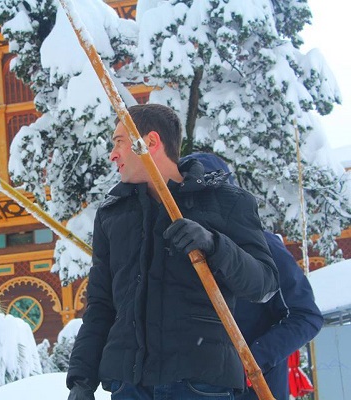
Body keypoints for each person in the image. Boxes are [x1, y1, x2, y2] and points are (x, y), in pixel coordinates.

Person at [66, 104, 279, 400]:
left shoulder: (226, 202)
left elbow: (264, 285)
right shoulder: (112, 216)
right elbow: (102, 304)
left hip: (197, 383)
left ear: (150, 142)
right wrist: (82, 379)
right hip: (130, 386)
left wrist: (214, 244)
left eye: (119, 142)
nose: (113, 154)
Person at [184, 152, 324, 400]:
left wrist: (253, 359)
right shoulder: (180, 247)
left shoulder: (264, 247)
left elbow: (305, 315)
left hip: (253, 390)